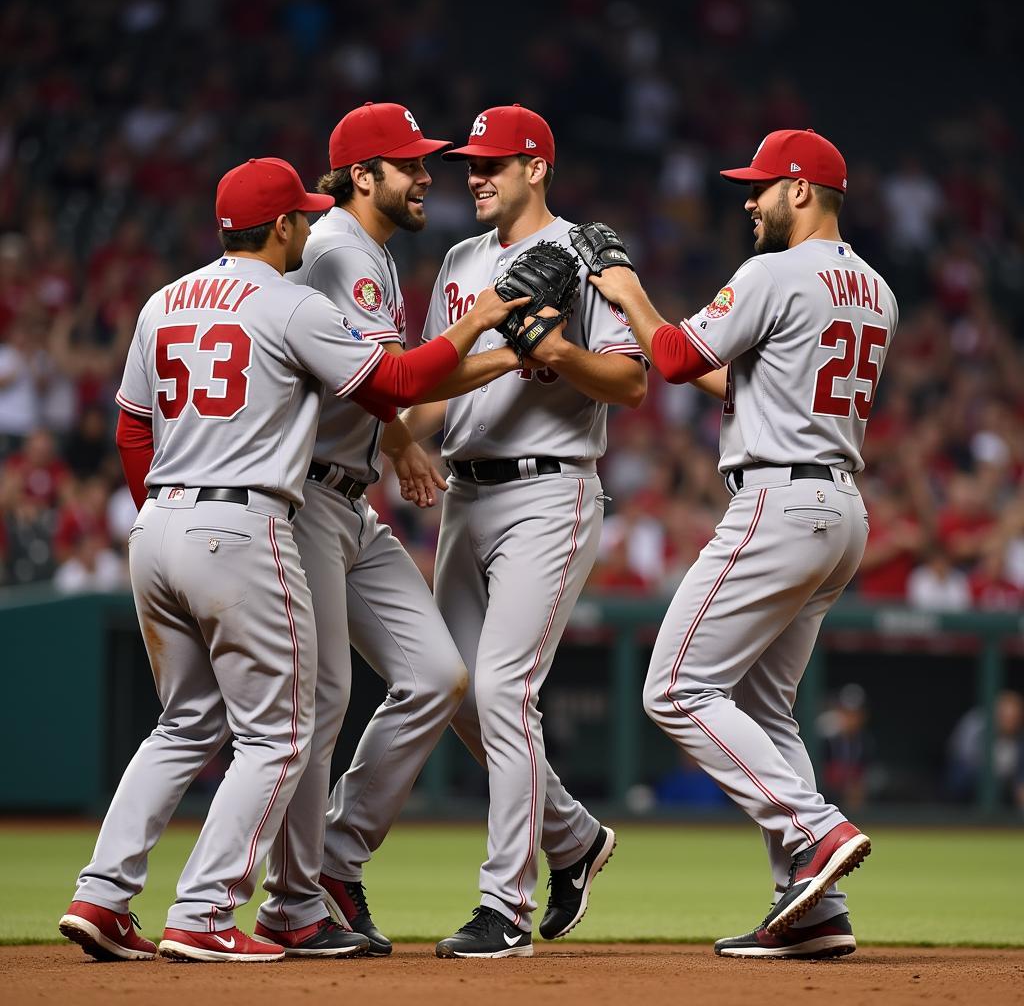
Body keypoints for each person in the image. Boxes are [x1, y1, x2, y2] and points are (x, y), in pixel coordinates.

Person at [57, 156, 520, 964]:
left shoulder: (163, 300)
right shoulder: (291, 302)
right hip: (242, 527)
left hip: (159, 523)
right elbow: (400, 379)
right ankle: (205, 912)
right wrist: (479, 323)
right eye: (300, 215)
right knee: (280, 732)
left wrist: (161, 515)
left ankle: (101, 895)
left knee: (185, 723)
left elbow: (133, 427)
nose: (310, 224)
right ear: (278, 228)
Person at [589, 129, 897, 960]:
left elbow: (679, 357)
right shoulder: (874, 288)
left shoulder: (774, 271)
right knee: (765, 706)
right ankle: (816, 910)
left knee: (676, 688)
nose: (749, 201)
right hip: (839, 508)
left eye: (762, 187)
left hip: (778, 504)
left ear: (802, 191)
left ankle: (815, 829)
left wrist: (628, 292)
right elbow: (763, 387)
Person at [256, 103, 524, 955]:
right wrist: (505, 342)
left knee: (437, 674)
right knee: (322, 701)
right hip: (303, 497)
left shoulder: (361, 249)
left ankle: (334, 856)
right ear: (361, 177)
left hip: (353, 498)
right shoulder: (338, 247)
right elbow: (393, 381)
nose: (428, 178)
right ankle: (292, 901)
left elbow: (372, 386)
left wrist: (402, 442)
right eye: (409, 165)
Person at [401, 104, 648, 958]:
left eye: (493, 164)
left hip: (549, 490)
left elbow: (630, 382)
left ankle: (504, 904)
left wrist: (556, 350)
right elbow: (436, 386)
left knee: (504, 688)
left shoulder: (586, 254)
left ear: (536, 168)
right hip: (464, 494)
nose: (475, 176)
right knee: (460, 692)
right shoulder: (462, 260)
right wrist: (398, 442)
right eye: (470, 164)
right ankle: (574, 838)